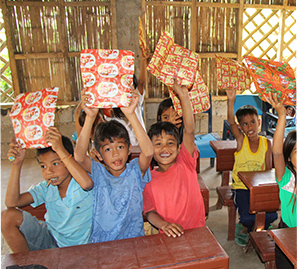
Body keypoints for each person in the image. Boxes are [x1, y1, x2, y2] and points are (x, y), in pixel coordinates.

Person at [74, 87, 153, 243]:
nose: (116, 154)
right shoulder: (98, 172)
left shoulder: (134, 171)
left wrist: (131, 114)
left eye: (121, 147)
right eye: (108, 149)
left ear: (130, 148)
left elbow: (149, 152)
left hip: (133, 242)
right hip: (102, 244)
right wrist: (90, 117)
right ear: (98, 154)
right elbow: (79, 156)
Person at [1, 127, 93, 253]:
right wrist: (16, 164)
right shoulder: (47, 187)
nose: (49, 171)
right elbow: (12, 202)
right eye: (43, 166)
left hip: (83, 249)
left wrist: (60, 148)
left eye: (55, 164)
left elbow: (87, 184)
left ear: (68, 159)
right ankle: (26, 265)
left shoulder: (81, 182)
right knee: (7, 217)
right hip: (51, 242)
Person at [143, 78, 205, 238]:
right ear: (150, 149)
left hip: (197, 230)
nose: (164, 148)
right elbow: (149, 211)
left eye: (170, 143)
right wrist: (164, 225)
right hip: (168, 234)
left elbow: (189, 131)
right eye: (158, 144)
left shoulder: (185, 161)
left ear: (179, 148)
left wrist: (183, 95)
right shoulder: (147, 179)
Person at [226, 89, 278, 246]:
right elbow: (230, 120)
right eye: (245, 124)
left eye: (253, 122)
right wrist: (230, 100)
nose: (250, 127)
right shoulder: (242, 141)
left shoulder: (266, 143)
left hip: (259, 187)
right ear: (240, 127)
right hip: (241, 187)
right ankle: (244, 226)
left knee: (271, 216)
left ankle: (256, 227)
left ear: (259, 122)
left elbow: (269, 169)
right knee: (248, 216)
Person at [265, 92, 296, 269]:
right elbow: (277, 152)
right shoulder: (286, 179)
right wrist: (282, 115)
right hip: (287, 234)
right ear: (289, 158)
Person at [104, 56, 147, 146]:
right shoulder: (110, 114)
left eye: (130, 87)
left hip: (141, 149)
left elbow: (142, 83)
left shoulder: (136, 101)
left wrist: (143, 60)